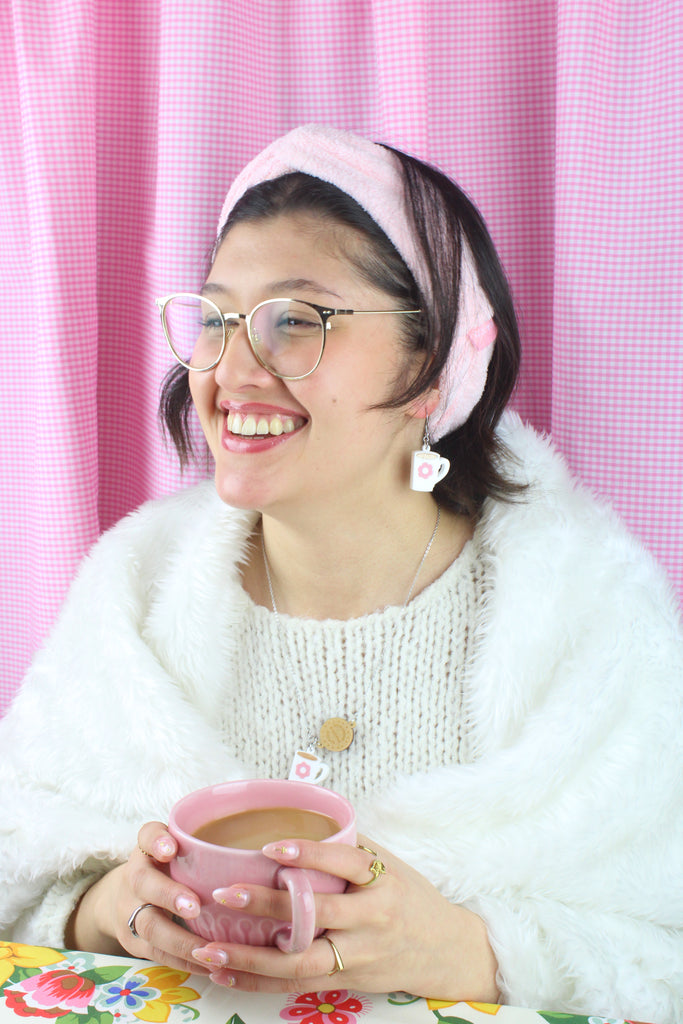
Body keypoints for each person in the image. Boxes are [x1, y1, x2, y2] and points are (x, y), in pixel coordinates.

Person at [1, 125, 681, 1023]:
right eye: (215, 320)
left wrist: (472, 950)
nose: (231, 370)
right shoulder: (131, 599)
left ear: (432, 367)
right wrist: (114, 909)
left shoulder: (589, 619)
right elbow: (24, 868)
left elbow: (656, 943)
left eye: (297, 320)